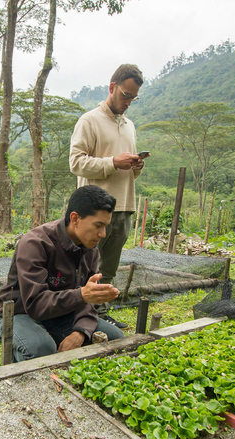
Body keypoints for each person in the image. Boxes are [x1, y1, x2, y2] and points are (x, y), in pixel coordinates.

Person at [0, 185, 124, 362]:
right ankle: (17, 370)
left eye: (106, 226)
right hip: (21, 312)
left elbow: (89, 301)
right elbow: (35, 303)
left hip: (63, 312)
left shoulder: (91, 248)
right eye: (98, 225)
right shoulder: (36, 243)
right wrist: (82, 295)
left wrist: (81, 331)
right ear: (75, 218)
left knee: (115, 337)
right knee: (41, 350)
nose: (102, 234)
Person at [69, 63, 147, 329]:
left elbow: (125, 171)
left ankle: (98, 314)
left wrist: (134, 167)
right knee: (84, 264)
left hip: (124, 206)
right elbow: (76, 163)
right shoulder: (89, 120)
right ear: (112, 87)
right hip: (94, 209)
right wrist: (113, 162)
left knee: (108, 267)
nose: (128, 102)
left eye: (133, 98)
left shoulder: (130, 126)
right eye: (125, 95)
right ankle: (74, 313)